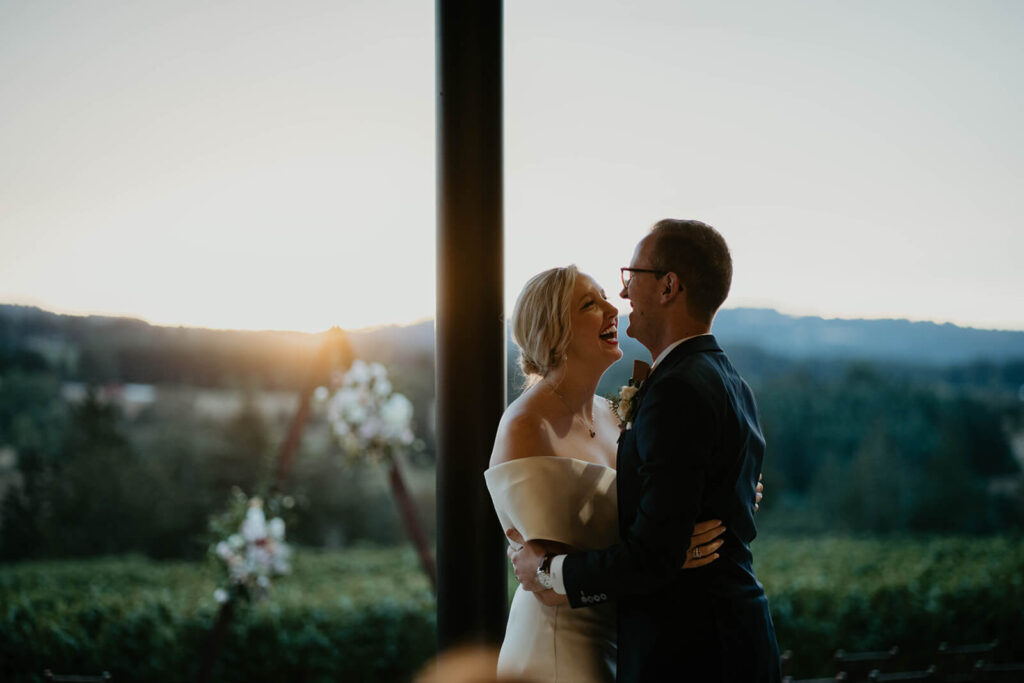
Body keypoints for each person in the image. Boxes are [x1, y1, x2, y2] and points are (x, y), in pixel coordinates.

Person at [507, 220, 781, 682]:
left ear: (669, 286)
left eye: (630, 276)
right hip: (720, 639)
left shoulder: (678, 390)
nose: (624, 293)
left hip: (694, 651)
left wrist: (551, 574)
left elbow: (654, 555)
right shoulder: (728, 379)